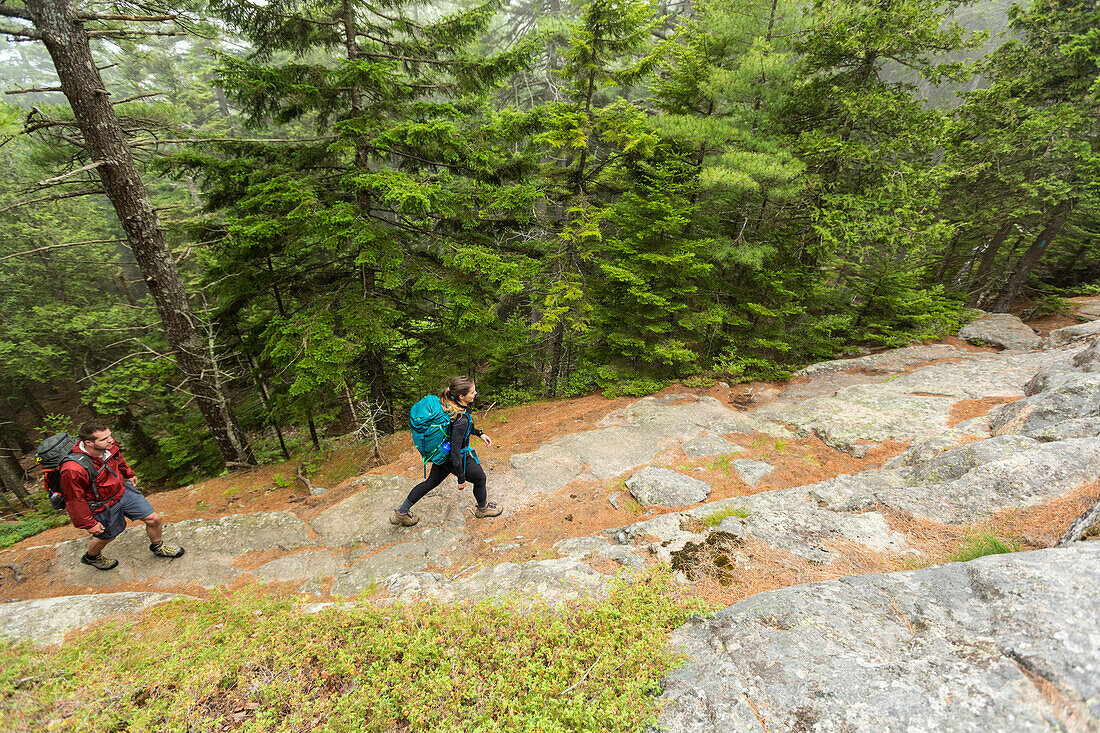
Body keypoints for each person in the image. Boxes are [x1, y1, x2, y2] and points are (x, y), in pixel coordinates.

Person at [61, 420, 185, 570]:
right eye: (104, 439)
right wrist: (88, 524)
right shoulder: (73, 469)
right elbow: (74, 500)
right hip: (101, 504)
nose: (110, 440)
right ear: (89, 443)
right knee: (108, 536)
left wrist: (128, 473)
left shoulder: (110, 446)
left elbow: (118, 459)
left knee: (154, 519)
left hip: (121, 491)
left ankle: (158, 546)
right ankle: (91, 557)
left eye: (109, 435)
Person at [391, 376, 503, 526]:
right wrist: (461, 478)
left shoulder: (450, 407)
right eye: (472, 392)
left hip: (442, 455)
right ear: (461, 396)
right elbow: (456, 450)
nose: (475, 393)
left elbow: (459, 431)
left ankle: (401, 513)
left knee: (430, 483)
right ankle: (482, 509)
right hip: (454, 458)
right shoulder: (461, 419)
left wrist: (479, 433)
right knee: (480, 478)